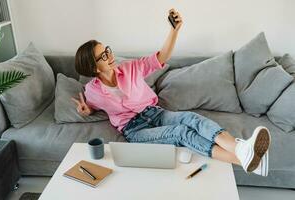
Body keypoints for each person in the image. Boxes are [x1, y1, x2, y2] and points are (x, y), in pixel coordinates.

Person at [72, 8, 271, 176]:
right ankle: (250, 162)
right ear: (95, 68)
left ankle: (241, 149)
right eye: (103, 55)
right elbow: (91, 106)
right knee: (181, 133)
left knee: (192, 119)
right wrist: (86, 110)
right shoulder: (92, 91)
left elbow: (160, 57)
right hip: (135, 130)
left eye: (107, 49)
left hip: (155, 113)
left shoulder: (130, 68)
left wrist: (174, 30)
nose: (110, 55)